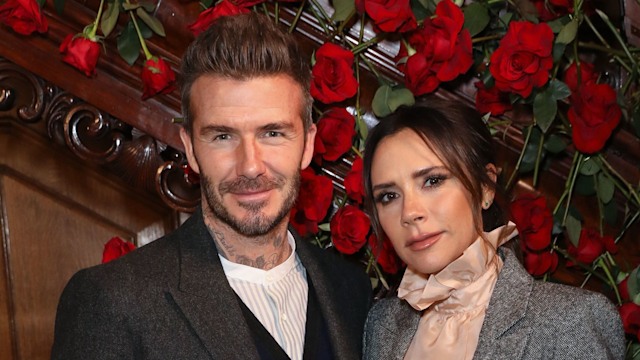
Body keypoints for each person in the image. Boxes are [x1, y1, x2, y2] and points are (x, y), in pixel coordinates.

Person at [51, 13, 372, 360]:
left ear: (307, 144)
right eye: (222, 136)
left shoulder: (350, 292)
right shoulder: (113, 300)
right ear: (190, 148)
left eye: (273, 133)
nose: (250, 165)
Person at [360, 98, 625, 359]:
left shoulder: (568, 322)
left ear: (485, 187)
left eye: (432, 181)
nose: (410, 213)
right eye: (388, 196)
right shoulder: (381, 325)